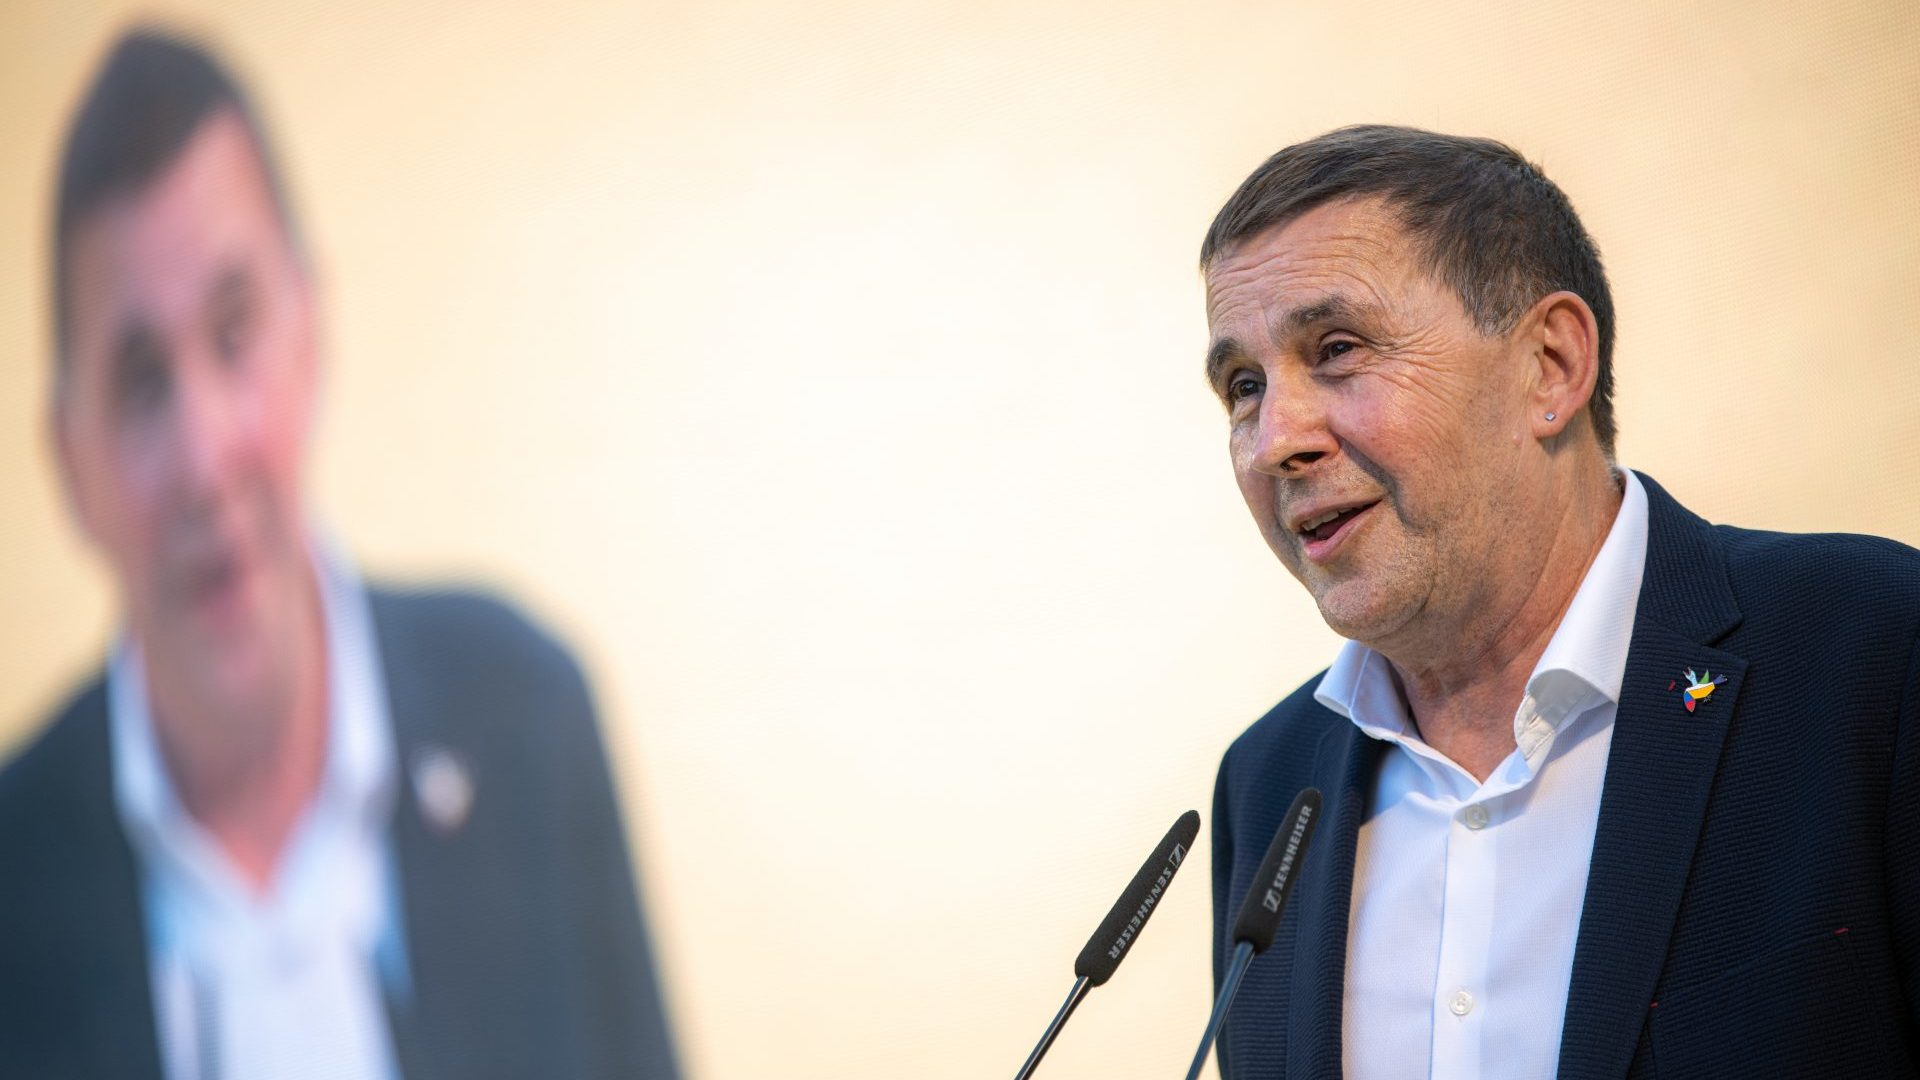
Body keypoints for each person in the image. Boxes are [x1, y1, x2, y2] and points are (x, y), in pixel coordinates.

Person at [0, 27, 680, 1080]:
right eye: (141, 384)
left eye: (235, 335)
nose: (204, 454)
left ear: (310, 331)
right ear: (68, 465)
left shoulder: (531, 721)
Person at [1201, 125, 1918, 1079]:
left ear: (1551, 365)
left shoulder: (1872, 652)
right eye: (1243, 387)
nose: (1272, 440)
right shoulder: (1265, 784)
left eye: (1337, 349)